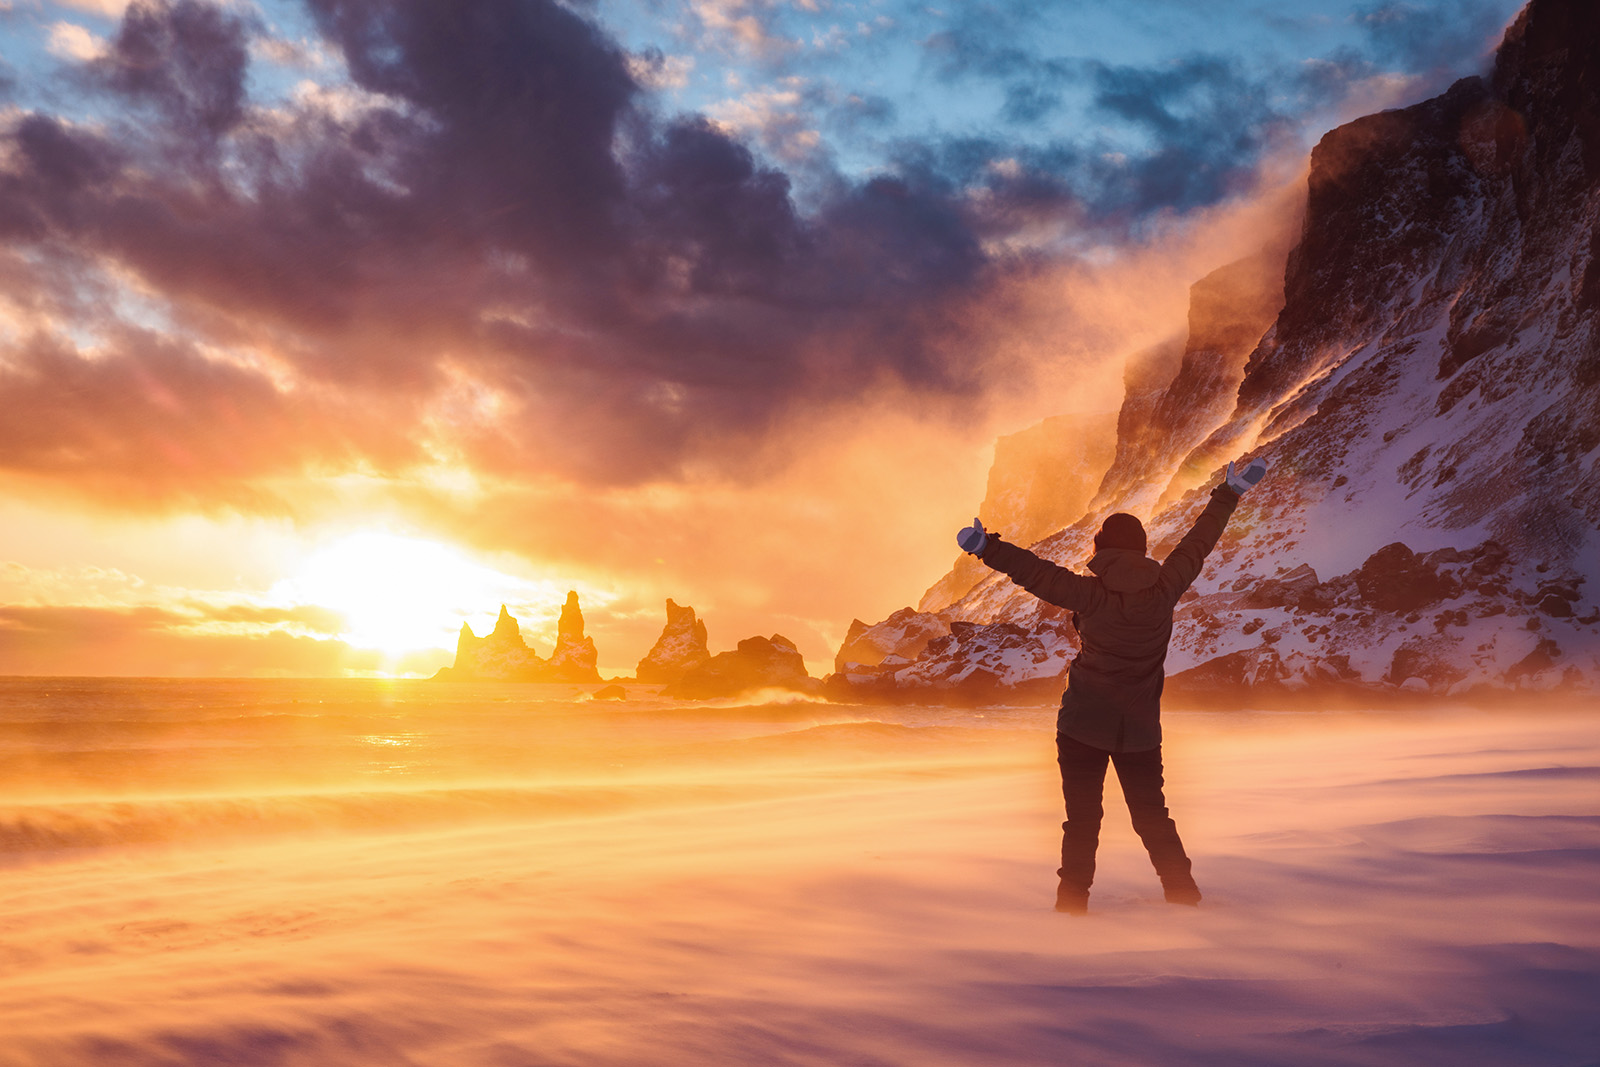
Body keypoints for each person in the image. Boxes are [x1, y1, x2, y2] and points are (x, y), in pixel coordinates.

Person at [957, 457, 1267, 914]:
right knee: (1152, 818)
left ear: (1103, 549)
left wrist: (987, 547)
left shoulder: (1091, 594)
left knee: (1081, 823)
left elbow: (1037, 573)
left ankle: (1071, 907)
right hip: (1140, 731)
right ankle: (1183, 896)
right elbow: (1199, 542)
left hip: (1082, 727)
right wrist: (1230, 492)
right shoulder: (1166, 587)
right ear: (1141, 550)